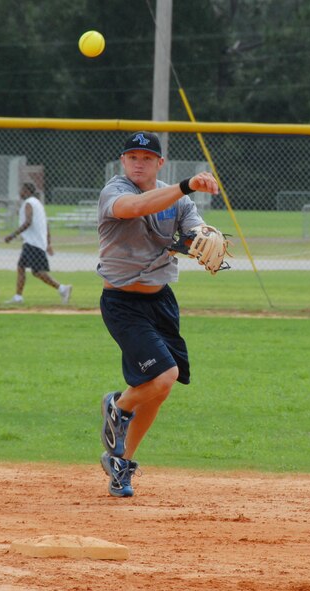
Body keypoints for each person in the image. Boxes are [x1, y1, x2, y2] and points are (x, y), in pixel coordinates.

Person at [97, 131, 219, 497]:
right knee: (166, 375)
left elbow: (194, 226)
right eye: (132, 156)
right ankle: (117, 406)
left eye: (147, 157)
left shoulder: (178, 201)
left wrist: (202, 235)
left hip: (162, 301)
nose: (138, 162)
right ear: (123, 161)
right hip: (122, 303)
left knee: (158, 392)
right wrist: (186, 185)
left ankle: (121, 464)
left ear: (159, 163)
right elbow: (136, 208)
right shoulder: (114, 192)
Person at [4, 182, 72, 304]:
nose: (20, 192)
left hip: (32, 243)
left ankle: (63, 288)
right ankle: (18, 297)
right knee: (21, 267)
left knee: (37, 272)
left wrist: (12, 235)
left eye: (21, 190)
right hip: (34, 242)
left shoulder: (29, 203)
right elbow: (46, 224)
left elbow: (28, 222)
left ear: (26, 191)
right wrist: (48, 243)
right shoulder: (38, 203)